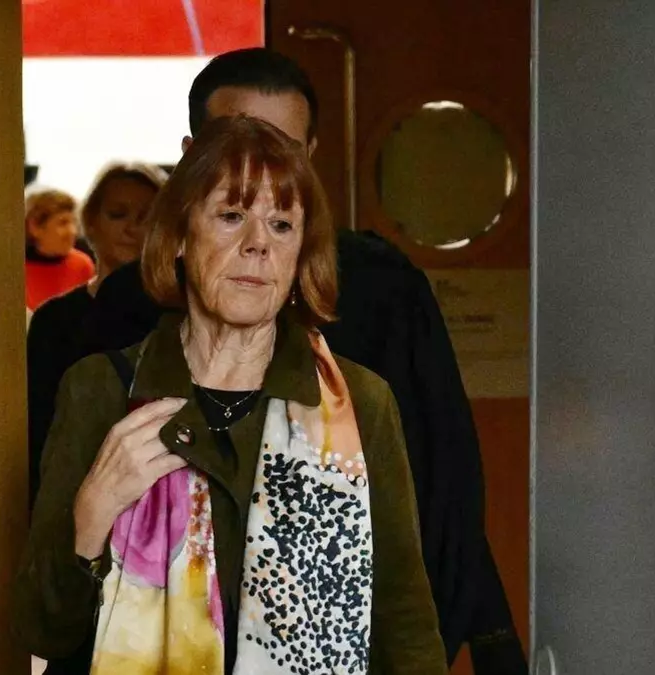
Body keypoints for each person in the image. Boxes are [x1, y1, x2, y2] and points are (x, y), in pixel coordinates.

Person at [45, 48, 527, 672]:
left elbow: (422, 566)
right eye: (232, 207)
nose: (256, 241)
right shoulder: (103, 367)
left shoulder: (373, 353)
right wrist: (91, 516)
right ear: (188, 182)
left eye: (280, 218)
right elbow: (43, 620)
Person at [27, 162, 167, 510]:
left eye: (146, 216)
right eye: (118, 214)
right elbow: (36, 427)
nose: (132, 228)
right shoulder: (53, 320)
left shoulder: (179, 319)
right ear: (90, 222)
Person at [24, 187, 95, 310]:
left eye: (74, 222)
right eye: (63, 223)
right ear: (34, 227)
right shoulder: (15, 270)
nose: (73, 231)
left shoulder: (82, 265)